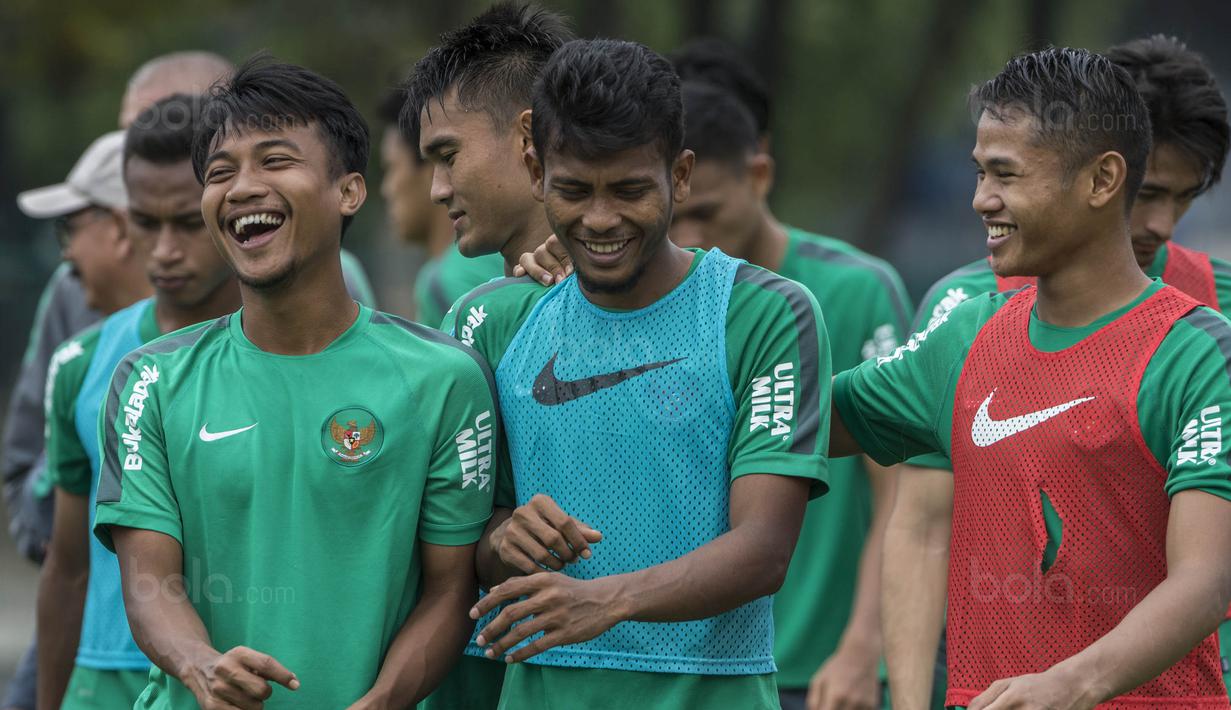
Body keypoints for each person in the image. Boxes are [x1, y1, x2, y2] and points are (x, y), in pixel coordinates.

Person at [829, 47, 1231, 709]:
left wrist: (1070, 685)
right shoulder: (962, 332)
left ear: (1102, 181)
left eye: (1005, 175)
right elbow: (788, 423)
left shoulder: (1199, 351)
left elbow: (1207, 581)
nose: (980, 201)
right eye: (980, 173)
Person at [91, 57, 498, 709]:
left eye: (274, 161)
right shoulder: (150, 379)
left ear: (349, 191)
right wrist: (203, 669)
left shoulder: (444, 378)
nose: (242, 187)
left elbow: (449, 591)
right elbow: (149, 584)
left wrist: (383, 702)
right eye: (220, 173)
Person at [446, 38, 830, 710]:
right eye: (572, 190)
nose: (599, 219)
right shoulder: (487, 323)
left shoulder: (762, 312)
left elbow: (764, 549)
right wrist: (505, 537)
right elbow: (463, 543)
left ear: (679, 176)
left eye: (628, 190)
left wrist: (604, 601)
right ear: (536, 173)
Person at [670, 80, 907, 710]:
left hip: (823, 672)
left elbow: (903, 495)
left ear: (760, 174)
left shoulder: (855, 290)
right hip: (694, 669)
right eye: (676, 217)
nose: (691, 237)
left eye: (708, 212)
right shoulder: (646, 306)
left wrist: (863, 646)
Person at [35, 94, 242, 710]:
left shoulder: (296, 357)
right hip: (104, 683)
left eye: (186, 222)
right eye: (145, 223)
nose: (164, 250)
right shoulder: (81, 365)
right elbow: (67, 567)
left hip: (238, 678)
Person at [401, 4, 574, 705]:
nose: (438, 189)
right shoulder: (472, 314)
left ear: (528, 137)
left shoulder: (682, 300)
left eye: (448, 155)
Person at [376, 90, 501, 326]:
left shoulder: (447, 279)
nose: (386, 189)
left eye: (391, 168)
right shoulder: (500, 254)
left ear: (428, 168)